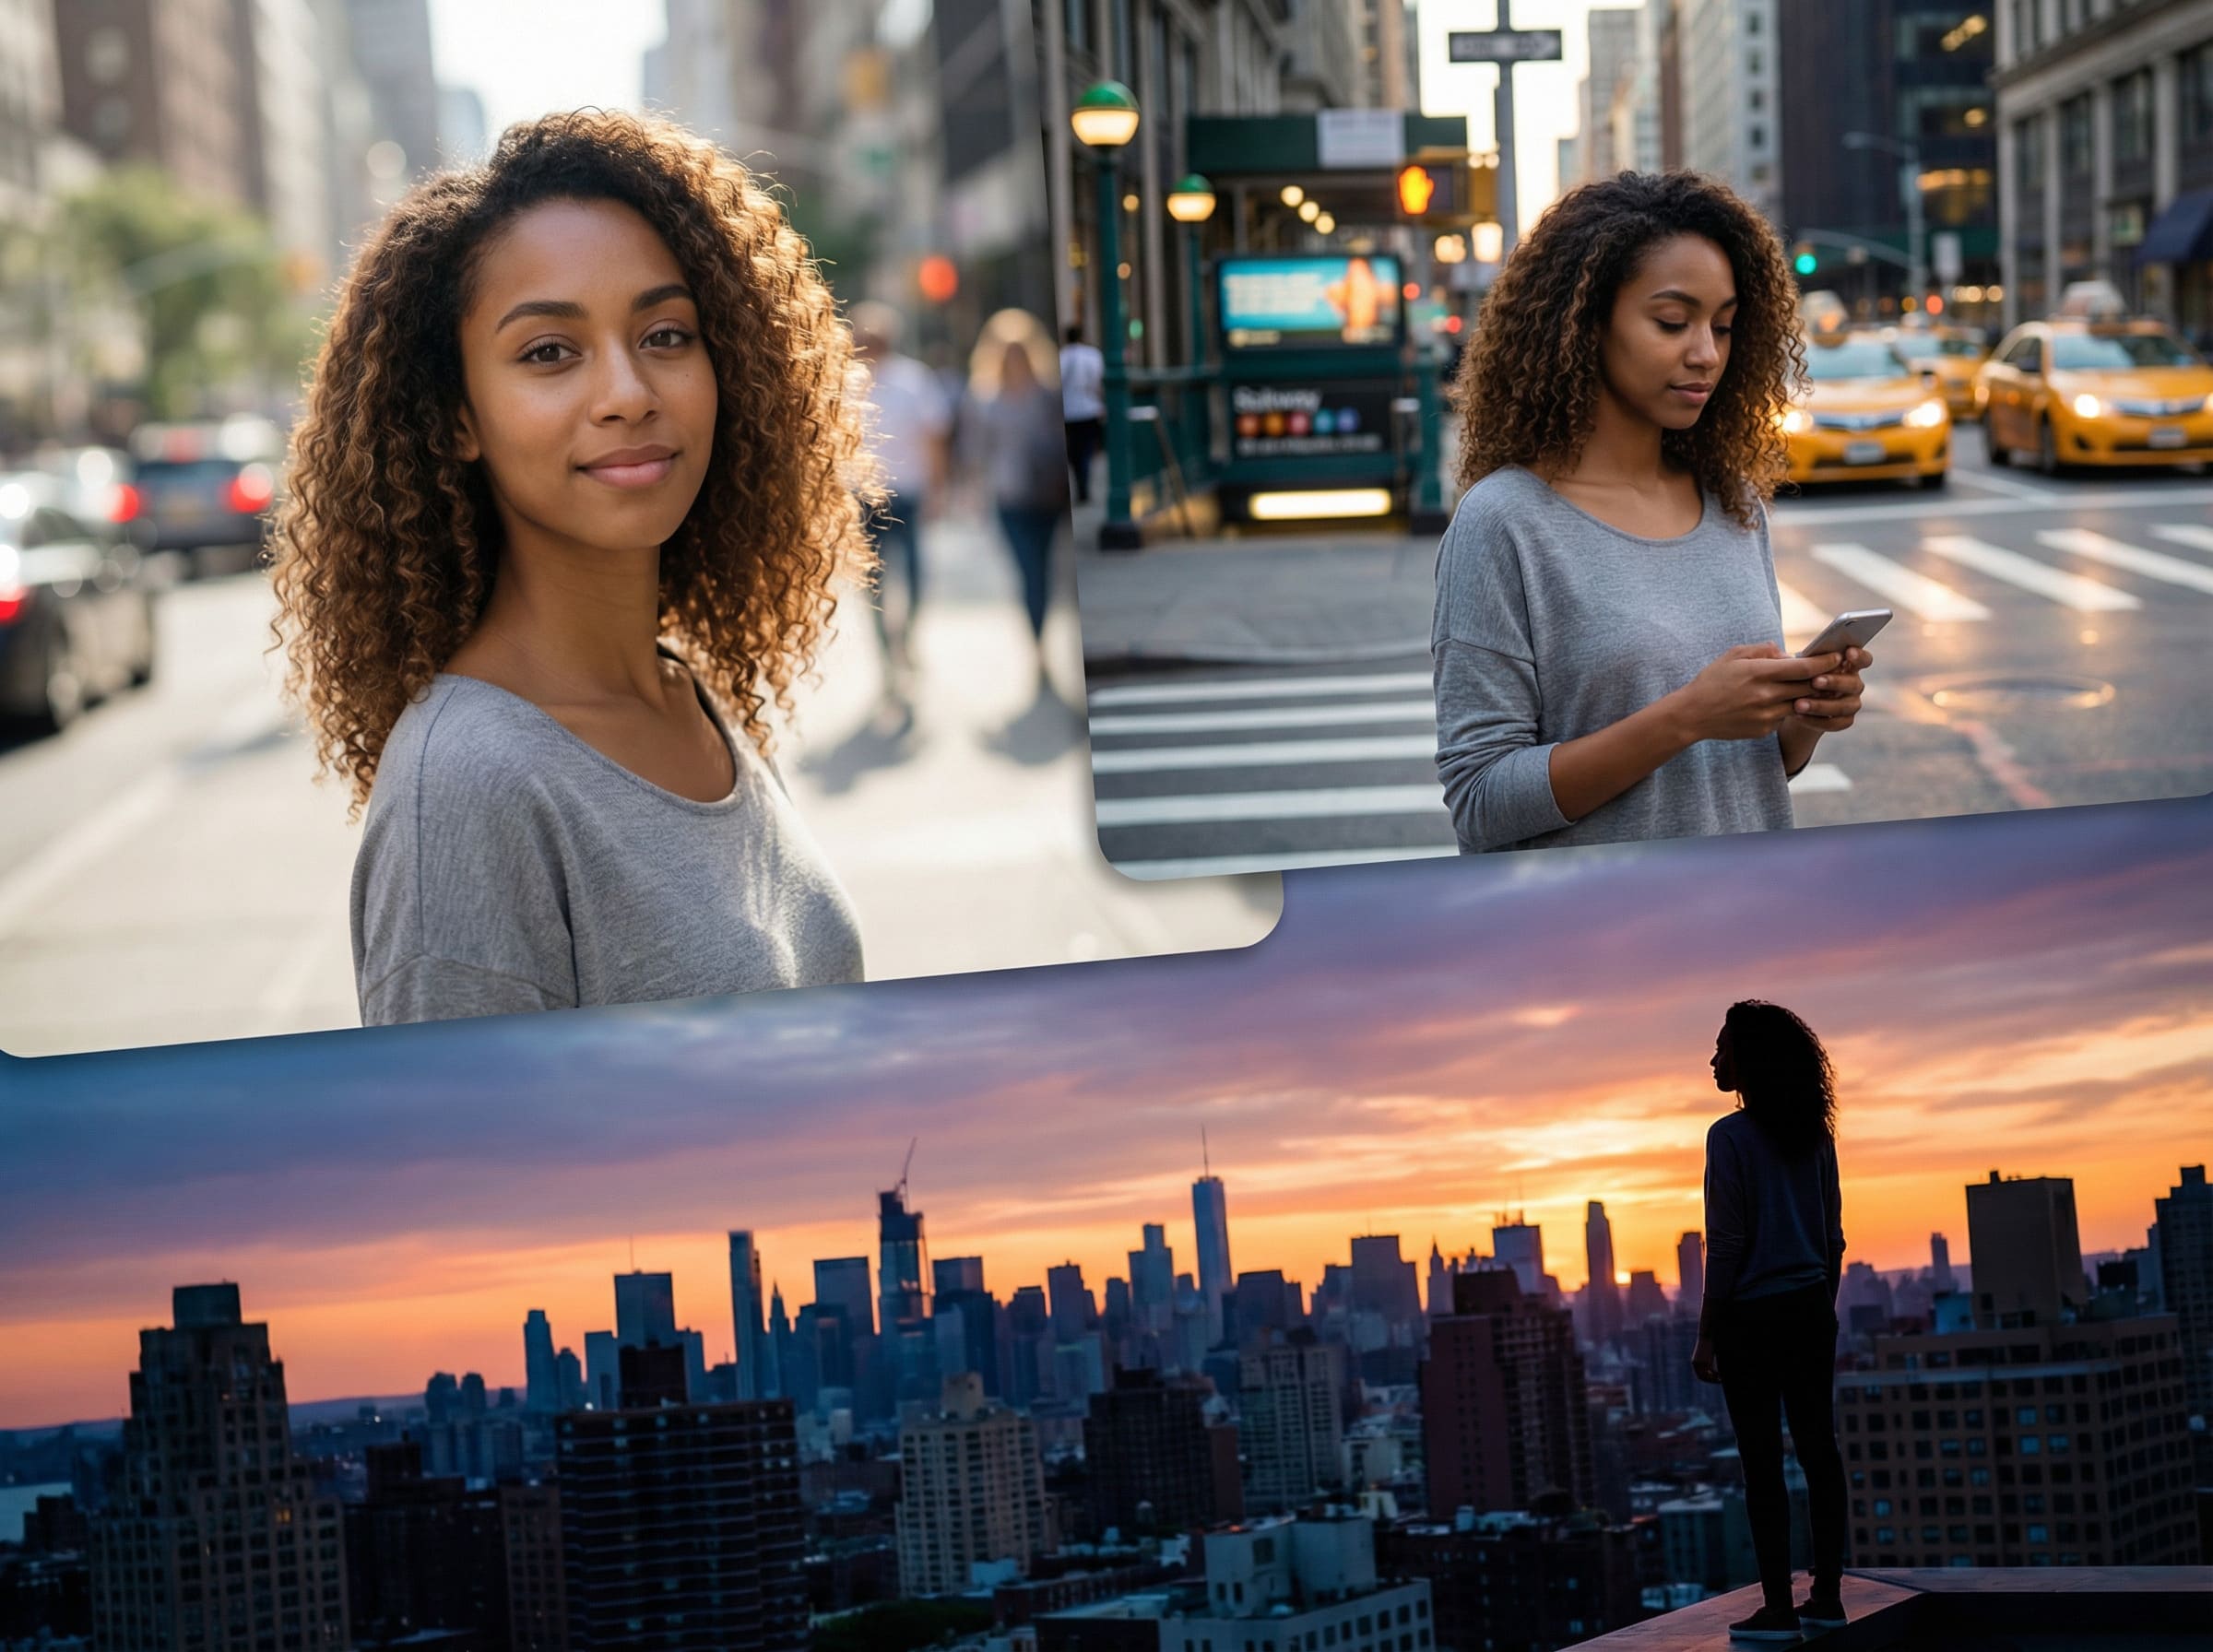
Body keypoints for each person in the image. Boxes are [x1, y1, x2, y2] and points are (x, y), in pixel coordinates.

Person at [269, 110, 873, 1027]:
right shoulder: (469, 789)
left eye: (666, 334)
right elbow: (462, 1167)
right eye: (549, 352)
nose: (629, 393)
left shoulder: (688, 694)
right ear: (459, 417)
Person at [1433, 171, 1875, 853]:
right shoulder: (1504, 523)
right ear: (1585, 323)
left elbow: (1752, 773)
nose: (1705, 354)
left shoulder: (1734, 504)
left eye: (1723, 327)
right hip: (1597, 943)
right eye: (1673, 322)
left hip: (1748, 930)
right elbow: (1483, 802)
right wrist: (1688, 716)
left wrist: (1805, 715)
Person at [1692, 1000, 1851, 1642]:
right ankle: (1830, 1596)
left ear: (1748, 1059)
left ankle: (1779, 1608)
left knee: (1761, 1463)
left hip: (1751, 1319)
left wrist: (1707, 1332)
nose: (1713, 1059)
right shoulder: (1815, 1135)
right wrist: (1824, 1306)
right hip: (1811, 1309)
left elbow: (1726, 1243)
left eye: (1723, 1047)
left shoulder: (1727, 1138)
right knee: (1820, 1452)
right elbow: (1833, 1238)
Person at [850, 300, 952, 711]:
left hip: (906, 493)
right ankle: (887, 655)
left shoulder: (913, 379)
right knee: (870, 585)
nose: (868, 344)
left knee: (914, 575)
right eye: (862, 337)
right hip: (862, 497)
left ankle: (905, 637)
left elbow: (934, 435)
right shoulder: (845, 382)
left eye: (874, 338)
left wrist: (938, 488)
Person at [977, 331, 1071, 683]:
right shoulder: (987, 400)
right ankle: (1038, 648)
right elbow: (977, 452)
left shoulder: (1048, 396)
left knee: (1047, 574)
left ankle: (1044, 641)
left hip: (1047, 497)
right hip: (1009, 497)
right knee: (1029, 573)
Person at [1059, 323, 1105, 504]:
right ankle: (1083, 486)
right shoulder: (1092, 356)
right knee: (1085, 451)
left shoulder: (1062, 357)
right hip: (1089, 410)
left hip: (1069, 412)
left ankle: (1081, 485)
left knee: (1075, 452)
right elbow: (1098, 383)